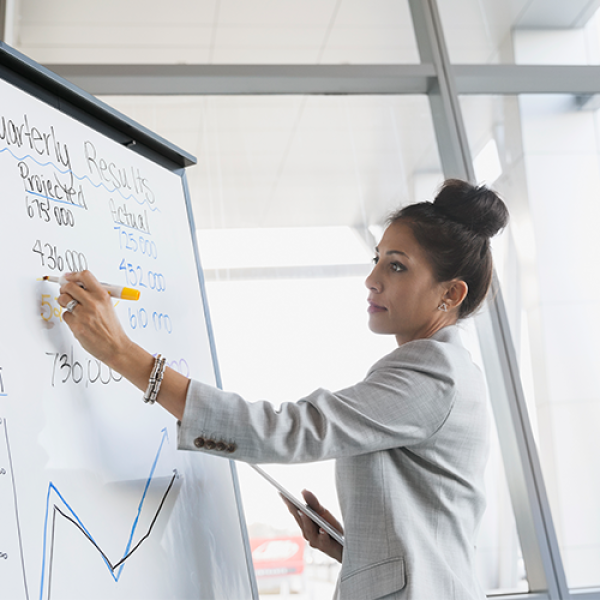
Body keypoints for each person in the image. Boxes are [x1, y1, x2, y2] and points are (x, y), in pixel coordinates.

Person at [58, 178, 509, 600]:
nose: (373, 279)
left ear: (449, 294)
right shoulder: (445, 368)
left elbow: (290, 430)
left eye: (397, 266)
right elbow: (432, 523)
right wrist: (354, 549)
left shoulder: (434, 371)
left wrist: (123, 354)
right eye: (377, 259)